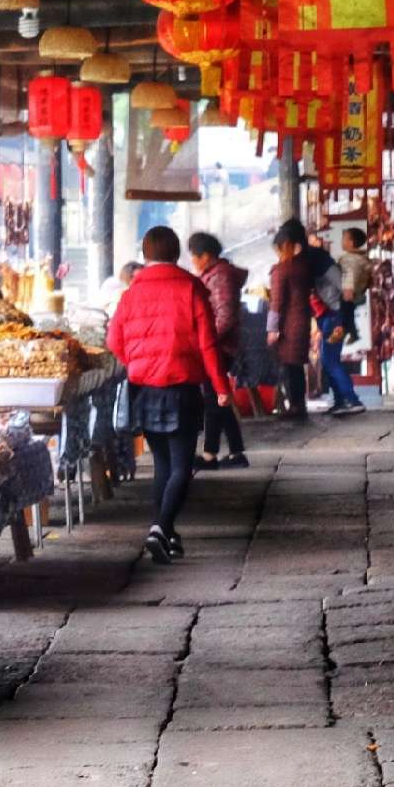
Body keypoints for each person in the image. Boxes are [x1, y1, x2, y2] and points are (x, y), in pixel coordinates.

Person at [107, 226, 233, 565]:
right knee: (181, 467)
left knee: (162, 464)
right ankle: (160, 528)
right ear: (176, 253)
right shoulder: (191, 288)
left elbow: (114, 342)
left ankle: (168, 534)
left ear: (146, 254)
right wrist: (221, 387)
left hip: (144, 390)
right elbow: (208, 343)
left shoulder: (131, 293)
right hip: (182, 388)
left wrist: (138, 362)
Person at [187, 231, 249, 469]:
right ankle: (236, 452)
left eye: (194, 256)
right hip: (216, 345)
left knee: (214, 400)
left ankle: (210, 455)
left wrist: (206, 340)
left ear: (205, 257)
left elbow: (225, 315)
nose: (192, 261)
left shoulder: (220, 277)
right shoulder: (216, 274)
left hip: (219, 347)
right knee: (217, 399)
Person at [291, 220, 364, 416]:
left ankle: (351, 399)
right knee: (328, 358)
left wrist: (342, 315)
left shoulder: (321, 262)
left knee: (330, 359)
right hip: (328, 316)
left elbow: (344, 289)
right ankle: (340, 400)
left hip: (334, 315)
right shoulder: (312, 259)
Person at [267, 223, 315, 418]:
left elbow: (276, 302)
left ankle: (295, 406)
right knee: (296, 365)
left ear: (285, 245)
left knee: (288, 365)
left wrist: (272, 329)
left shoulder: (282, 270)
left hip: (288, 325)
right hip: (303, 320)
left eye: (278, 248)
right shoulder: (304, 266)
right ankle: (298, 404)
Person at [339, 228, 373, 342]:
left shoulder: (349, 259)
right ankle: (351, 332)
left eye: (344, 239)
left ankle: (350, 331)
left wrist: (347, 292)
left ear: (351, 243)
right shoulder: (362, 258)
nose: (342, 241)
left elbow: (349, 277)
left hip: (349, 294)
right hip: (356, 294)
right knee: (348, 314)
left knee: (346, 313)